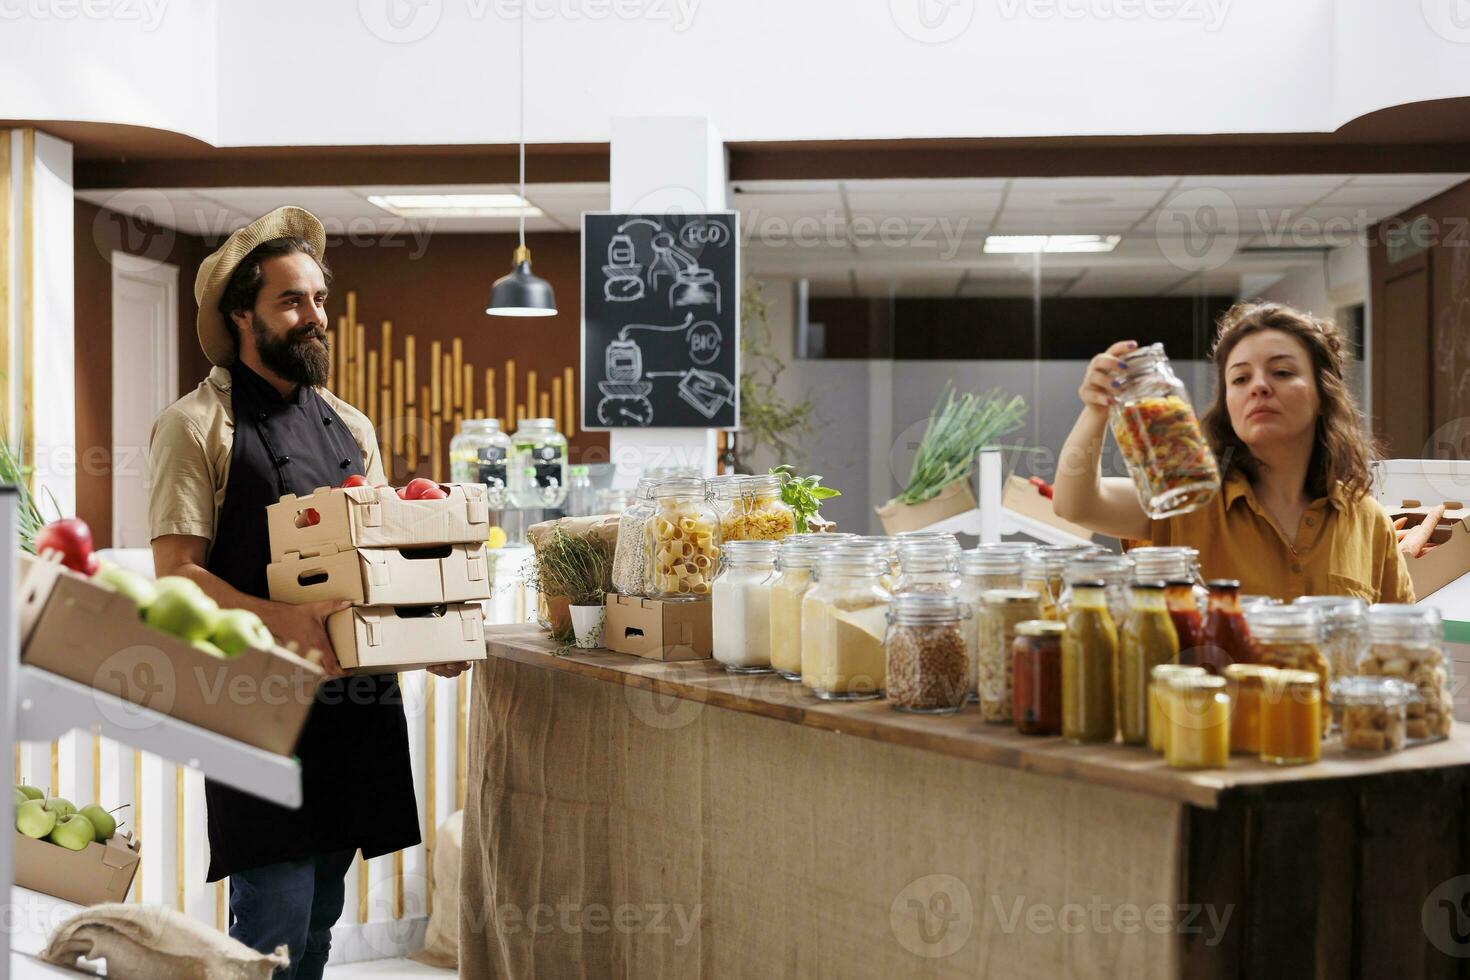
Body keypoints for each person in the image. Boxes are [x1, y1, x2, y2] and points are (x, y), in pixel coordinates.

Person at [147, 207, 467, 980]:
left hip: (353, 706)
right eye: (292, 301)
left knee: (322, 911)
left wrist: (433, 633)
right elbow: (176, 576)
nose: (315, 317)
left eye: (319, 299)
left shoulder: (351, 427)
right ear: (241, 314)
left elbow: (380, 562)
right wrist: (284, 619)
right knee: (276, 915)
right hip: (259, 702)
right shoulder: (197, 426)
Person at [1053, 301, 1415, 603]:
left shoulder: (1368, 521)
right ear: (1228, 403)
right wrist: (1097, 408)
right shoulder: (1190, 498)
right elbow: (1077, 504)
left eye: (1282, 372)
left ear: (1323, 394)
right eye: (1240, 378)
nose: (1258, 386)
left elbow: (1398, 645)